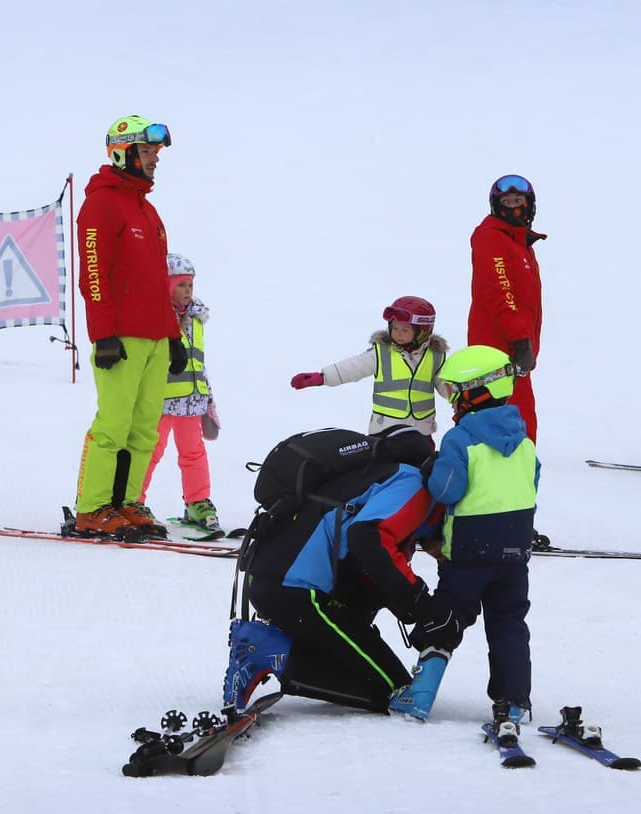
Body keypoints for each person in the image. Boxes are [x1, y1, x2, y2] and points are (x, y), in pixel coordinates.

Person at [224, 427, 461, 714]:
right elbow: (367, 539)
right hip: (294, 589)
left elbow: (372, 570)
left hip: (281, 581)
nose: (444, 554)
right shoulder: (413, 484)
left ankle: (279, 647)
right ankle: (272, 652)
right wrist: (422, 604)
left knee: (381, 668)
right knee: (391, 689)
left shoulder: (382, 480)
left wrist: (416, 613)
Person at [387, 346, 539, 741]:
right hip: (515, 549)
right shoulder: (525, 442)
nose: (453, 399)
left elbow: (448, 489)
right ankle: (515, 701)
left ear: (477, 391)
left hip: (470, 549)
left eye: (456, 391)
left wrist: (431, 472)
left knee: (449, 617)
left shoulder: (461, 438)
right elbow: (531, 483)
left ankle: (420, 695)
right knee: (508, 623)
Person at [71, 114, 187, 539]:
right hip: (120, 338)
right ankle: (93, 507)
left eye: (156, 150)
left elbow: (157, 281)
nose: (156, 157)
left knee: (144, 427)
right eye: (148, 150)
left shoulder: (146, 208)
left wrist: (173, 337)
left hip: (155, 337)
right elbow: (94, 273)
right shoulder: (102, 202)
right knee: (113, 424)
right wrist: (103, 334)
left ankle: (127, 502)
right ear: (124, 152)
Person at [141, 253, 223, 532]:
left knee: (194, 453)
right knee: (149, 451)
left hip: (192, 401)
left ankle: (198, 502)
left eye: (190, 285)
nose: (187, 291)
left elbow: (198, 360)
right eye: (181, 285)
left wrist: (208, 398)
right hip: (161, 401)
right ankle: (133, 501)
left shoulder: (198, 317)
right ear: (166, 285)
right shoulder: (155, 315)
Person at [289, 295, 450, 437]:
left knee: (422, 467)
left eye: (405, 330)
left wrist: (462, 397)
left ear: (423, 331)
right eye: (394, 328)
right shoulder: (381, 352)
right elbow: (353, 367)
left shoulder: (435, 356)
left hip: (421, 431)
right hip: (386, 431)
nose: (398, 334)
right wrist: (322, 377)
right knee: (385, 469)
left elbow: (446, 384)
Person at [467, 175, 545, 444]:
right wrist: (521, 340)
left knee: (521, 427)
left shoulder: (519, 243)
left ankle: (517, 482)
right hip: (498, 353)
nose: (513, 207)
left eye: (519, 200)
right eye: (507, 201)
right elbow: (499, 292)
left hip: (514, 353)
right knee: (510, 431)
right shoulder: (491, 238)